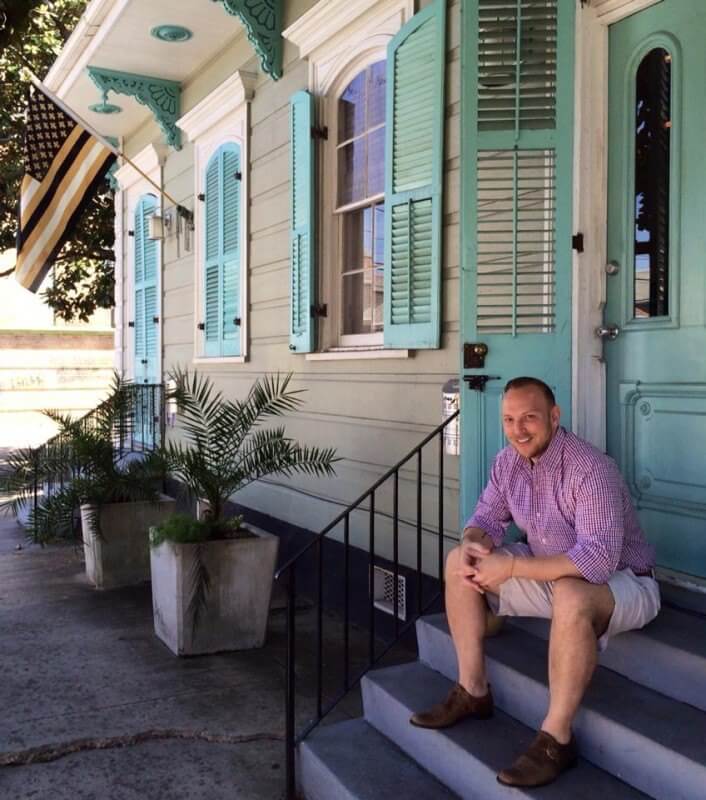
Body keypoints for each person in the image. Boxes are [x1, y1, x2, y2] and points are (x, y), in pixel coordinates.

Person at [410, 376, 660, 788]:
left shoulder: (590, 468)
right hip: (550, 570)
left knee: (572, 593)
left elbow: (596, 563)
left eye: (529, 418)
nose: (518, 429)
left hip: (625, 582)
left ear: (554, 416)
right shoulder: (507, 462)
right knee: (458, 561)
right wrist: (474, 544)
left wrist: (509, 569)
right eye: (509, 419)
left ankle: (556, 739)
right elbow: (485, 520)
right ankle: (472, 690)